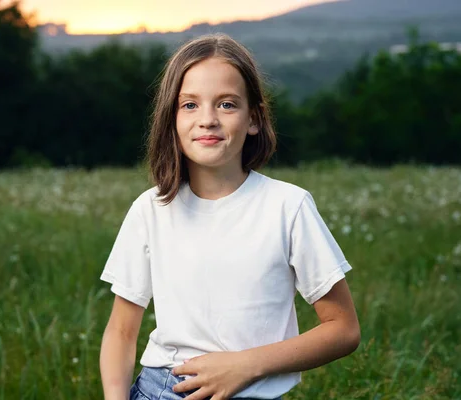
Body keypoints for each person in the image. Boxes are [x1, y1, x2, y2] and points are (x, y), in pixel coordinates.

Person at [99, 33, 360, 400]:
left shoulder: (288, 207)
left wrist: (246, 365)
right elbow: (121, 332)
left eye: (226, 104)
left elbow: (343, 329)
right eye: (189, 105)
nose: (207, 119)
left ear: (253, 119)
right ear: (171, 118)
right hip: (163, 390)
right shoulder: (151, 209)